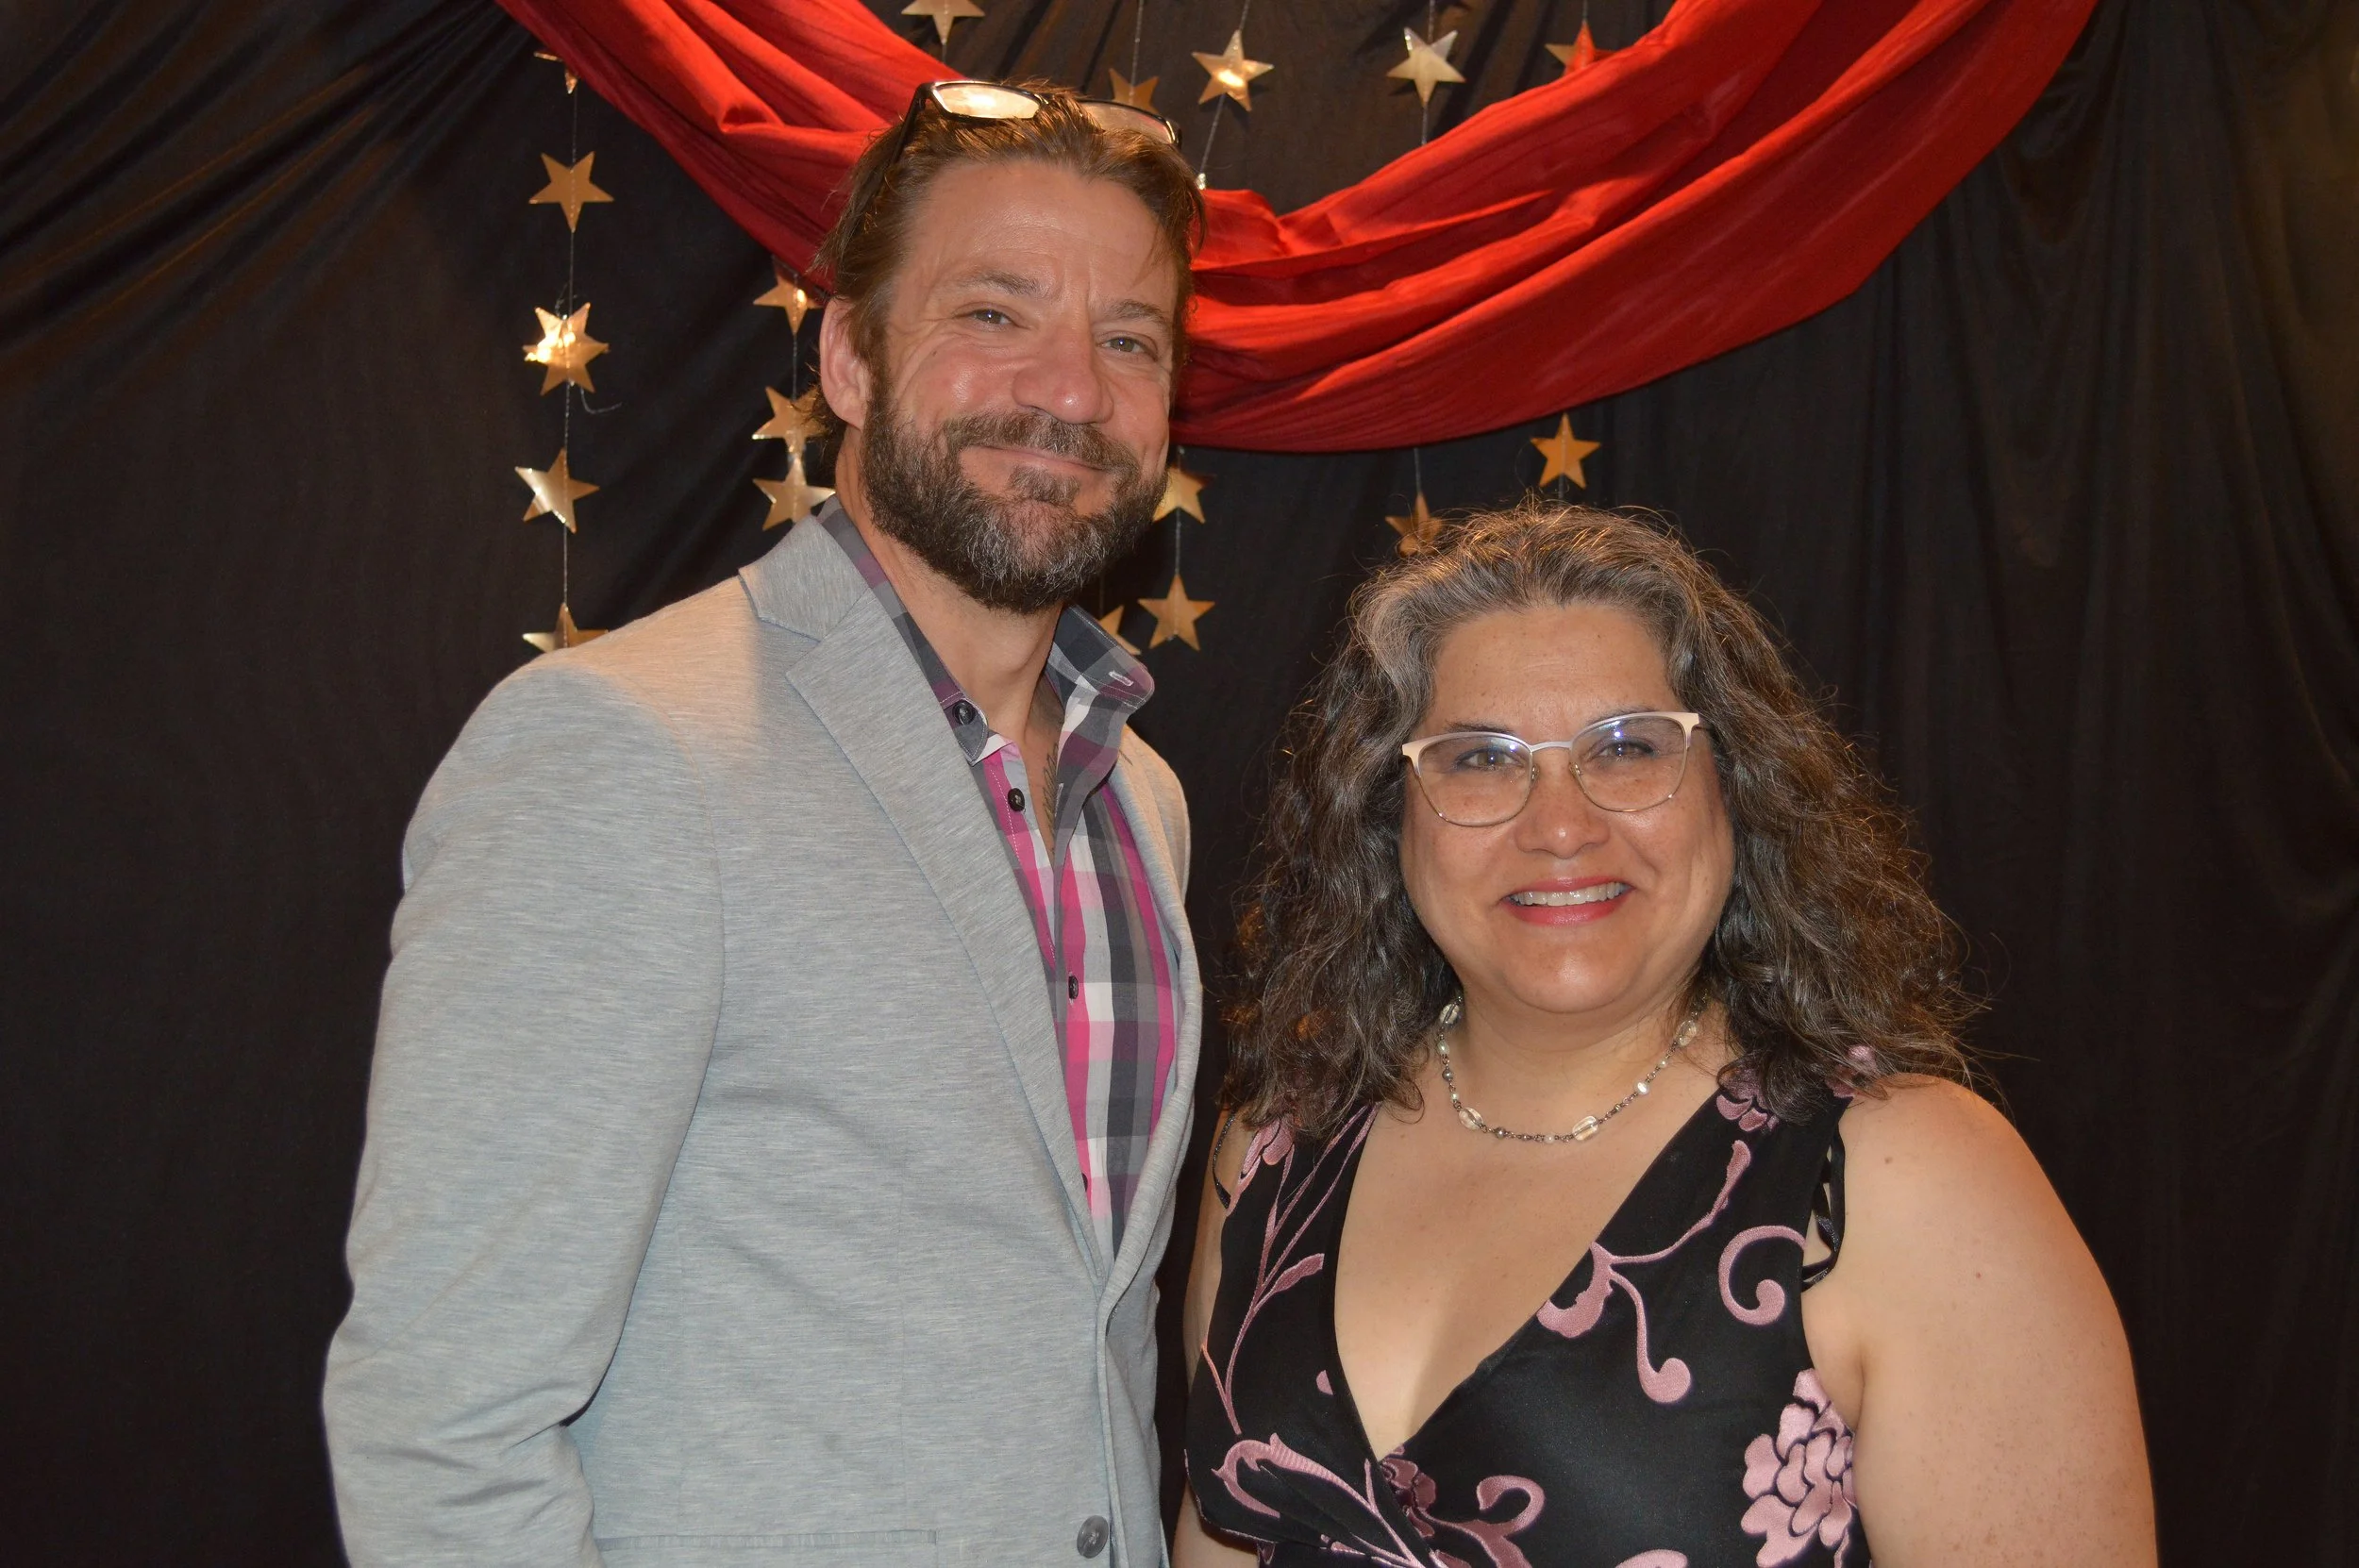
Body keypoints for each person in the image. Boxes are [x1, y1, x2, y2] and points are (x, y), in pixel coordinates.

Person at [326, 84, 1205, 1567]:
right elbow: (443, 1416)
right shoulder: (620, 751)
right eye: (996, 313)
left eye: (1130, 339)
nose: (1069, 390)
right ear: (850, 357)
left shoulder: (1144, 794)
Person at [1178, 505, 2154, 1567]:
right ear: (1389, 812)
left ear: (1733, 792)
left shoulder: (1901, 1176)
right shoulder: (1275, 1148)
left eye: (1629, 748)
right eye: (1479, 760)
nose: (1559, 825)